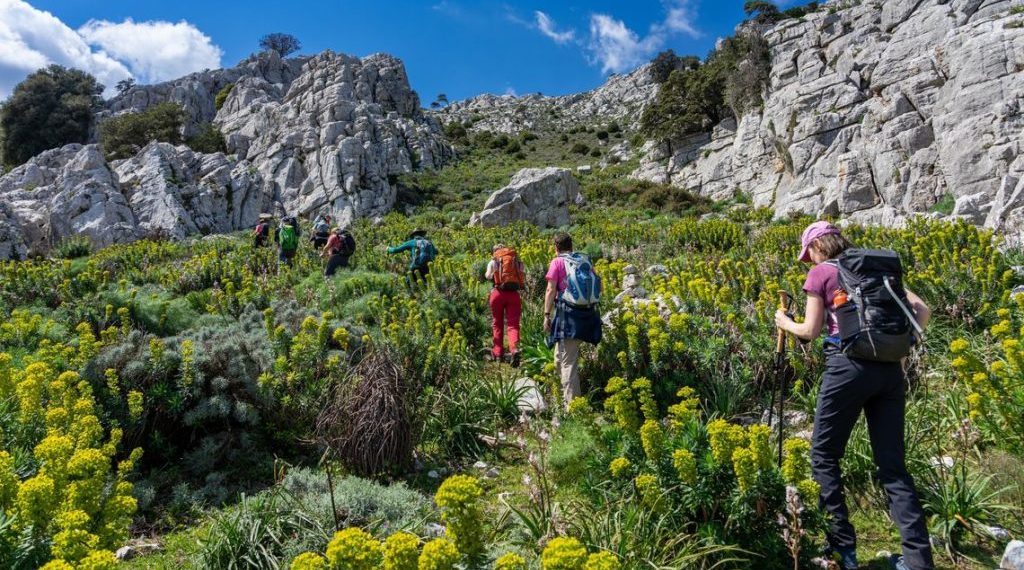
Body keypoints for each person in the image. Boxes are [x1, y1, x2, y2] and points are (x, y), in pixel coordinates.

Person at [774, 221, 934, 570]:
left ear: (817, 247)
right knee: (893, 467)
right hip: (890, 370)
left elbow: (810, 331)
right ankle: (918, 561)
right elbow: (923, 310)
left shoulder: (821, 273)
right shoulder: (875, 268)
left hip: (847, 369)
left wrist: (784, 322)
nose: (809, 260)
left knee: (824, 456)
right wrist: (903, 345)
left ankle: (842, 551)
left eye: (808, 254)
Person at [543, 232, 602, 410]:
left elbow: (550, 289)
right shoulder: (583, 260)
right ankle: (559, 398)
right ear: (571, 246)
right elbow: (600, 285)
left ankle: (574, 409)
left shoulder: (557, 262)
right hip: (586, 314)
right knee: (559, 358)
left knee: (568, 363)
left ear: (556, 247)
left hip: (568, 315)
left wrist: (546, 314)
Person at [485, 243, 525, 366]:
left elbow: (487, 276)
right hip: (514, 295)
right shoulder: (516, 261)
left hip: (497, 293)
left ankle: (497, 353)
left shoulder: (493, 261)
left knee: (497, 322)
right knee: (513, 324)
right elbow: (522, 275)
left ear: (495, 252)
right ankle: (514, 350)